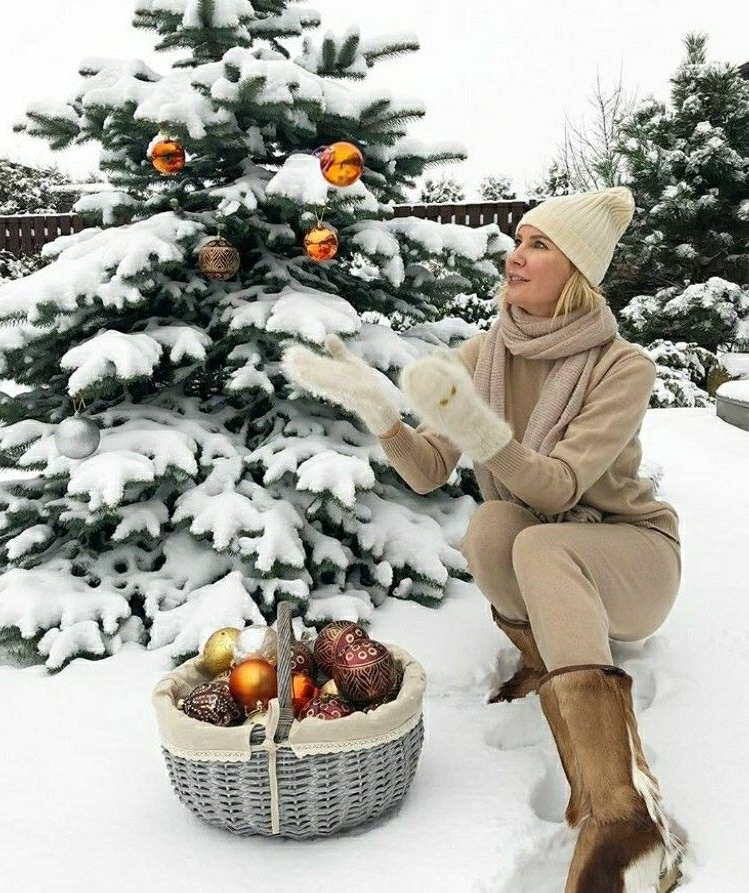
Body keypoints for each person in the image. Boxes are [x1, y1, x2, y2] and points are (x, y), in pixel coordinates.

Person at [281, 186, 685, 892]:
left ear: (578, 271)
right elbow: (429, 470)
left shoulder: (622, 366)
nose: (515, 255)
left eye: (539, 245)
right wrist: (381, 414)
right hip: (550, 551)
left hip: (633, 556)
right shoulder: (482, 355)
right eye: (518, 240)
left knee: (538, 541)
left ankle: (622, 813)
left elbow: (558, 488)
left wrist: (480, 428)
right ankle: (548, 656)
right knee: (494, 526)